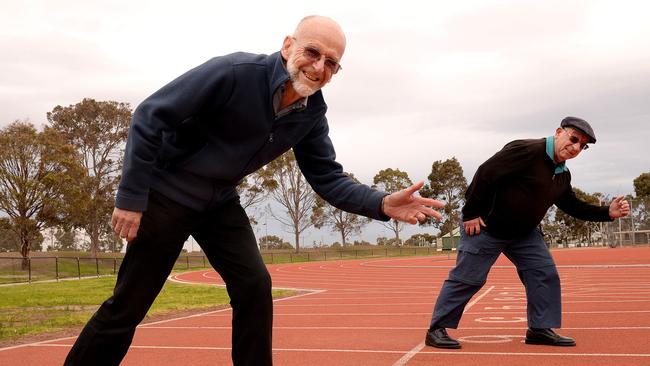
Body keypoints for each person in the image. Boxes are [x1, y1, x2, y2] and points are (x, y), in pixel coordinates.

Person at [64, 15, 444, 366]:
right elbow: (150, 115)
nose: (319, 67)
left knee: (254, 286)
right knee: (130, 304)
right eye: (313, 52)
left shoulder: (311, 114)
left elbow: (326, 176)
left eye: (331, 63)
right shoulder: (233, 73)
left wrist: (380, 202)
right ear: (287, 46)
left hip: (218, 201)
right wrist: (131, 199)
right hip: (169, 192)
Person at [424, 117, 630, 349]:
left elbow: (572, 206)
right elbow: (485, 173)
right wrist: (471, 212)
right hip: (486, 228)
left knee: (543, 273)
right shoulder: (526, 150)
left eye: (582, 146)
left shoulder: (562, 174)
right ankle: (436, 329)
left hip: (524, 234)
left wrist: (608, 212)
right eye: (573, 139)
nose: (575, 148)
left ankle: (539, 330)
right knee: (467, 278)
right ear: (559, 132)